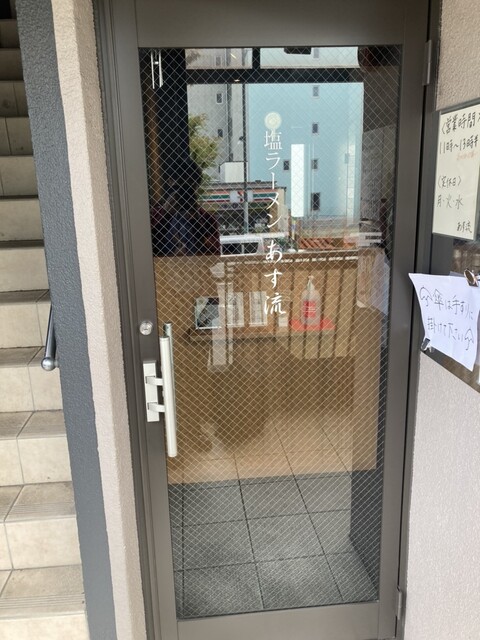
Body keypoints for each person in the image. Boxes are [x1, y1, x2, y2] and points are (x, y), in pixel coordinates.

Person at [151, 156, 220, 256]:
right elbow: (147, 247)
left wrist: (196, 222)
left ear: (196, 187)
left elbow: (214, 254)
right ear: (169, 183)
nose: (183, 194)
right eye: (179, 188)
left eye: (189, 189)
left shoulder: (207, 219)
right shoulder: (154, 215)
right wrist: (166, 215)